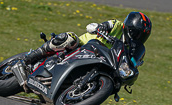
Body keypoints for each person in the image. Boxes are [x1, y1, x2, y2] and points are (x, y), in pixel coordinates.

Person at [23, 12, 152, 67]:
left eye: (142, 36)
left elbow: (131, 63)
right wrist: (101, 28)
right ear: (129, 28)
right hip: (82, 47)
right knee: (70, 38)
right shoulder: (117, 25)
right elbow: (106, 25)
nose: (138, 37)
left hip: (100, 62)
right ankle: (34, 54)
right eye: (137, 33)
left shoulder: (132, 48)